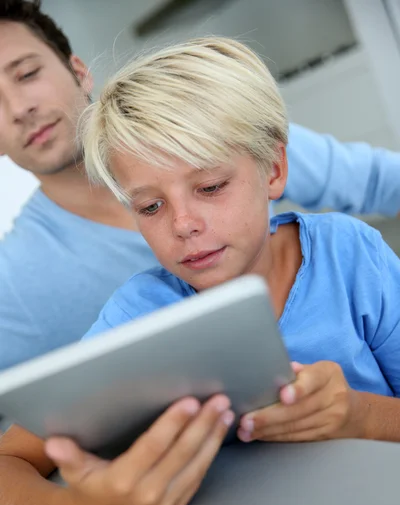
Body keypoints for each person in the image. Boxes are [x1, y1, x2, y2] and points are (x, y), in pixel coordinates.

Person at [1, 36, 399, 505]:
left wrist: (359, 415)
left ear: (274, 169)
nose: (183, 224)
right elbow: (8, 461)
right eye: (149, 207)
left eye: (210, 187)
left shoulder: (350, 257)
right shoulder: (137, 314)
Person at [1, 1, 400, 372]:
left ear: (78, 70)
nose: (20, 109)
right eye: (149, 207)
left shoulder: (220, 131)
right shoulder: (15, 285)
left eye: (27, 74)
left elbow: (379, 180)